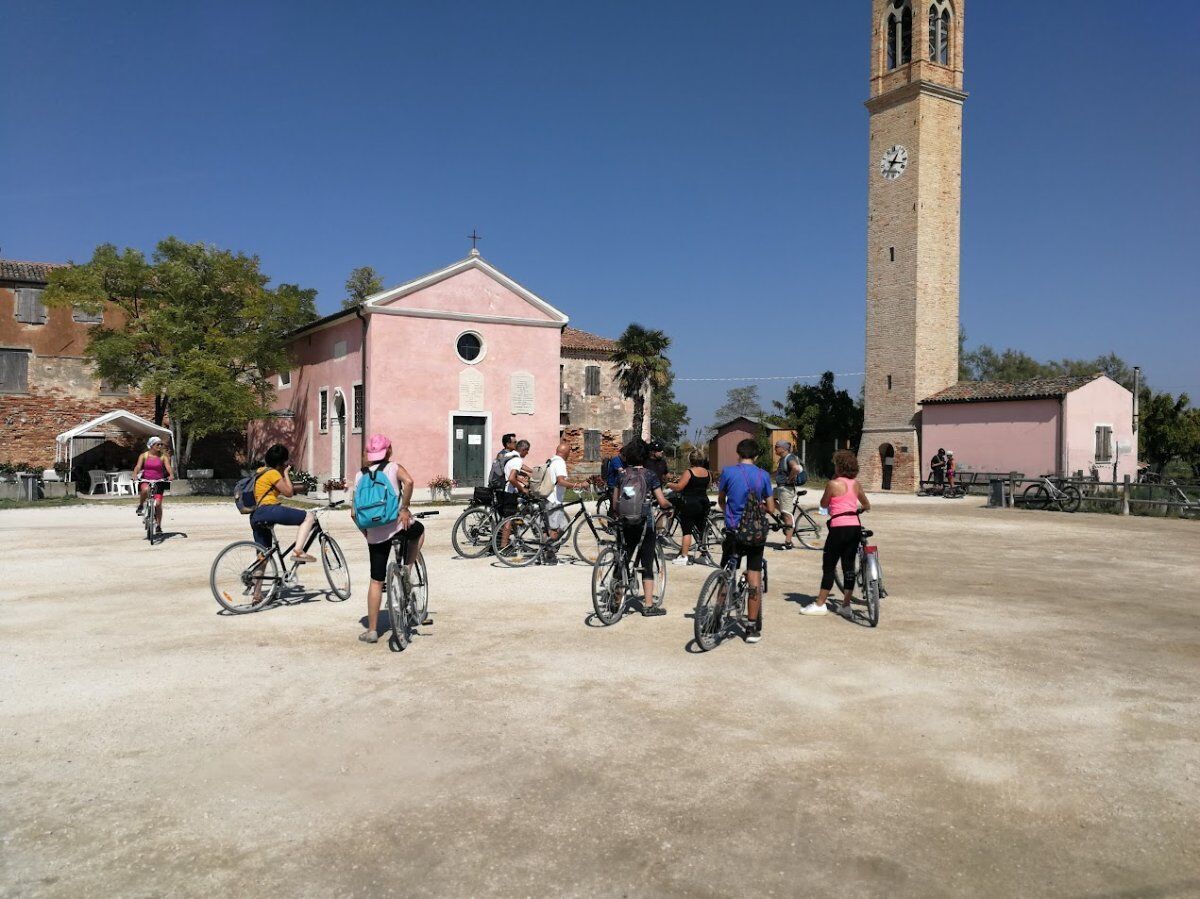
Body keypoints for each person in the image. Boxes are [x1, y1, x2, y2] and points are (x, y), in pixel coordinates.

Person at [352, 434, 424, 644]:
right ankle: (408, 569)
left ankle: (372, 630)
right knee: (418, 531)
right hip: (396, 526)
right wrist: (404, 508)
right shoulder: (393, 468)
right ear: (388, 451)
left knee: (376, 580)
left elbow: (354, 513)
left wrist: (366, 532)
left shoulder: (359, 475)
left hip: (374, 534)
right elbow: (409, 481)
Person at [717, 438, 778, 642]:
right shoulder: (763, 475)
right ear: (756, 455)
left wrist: (730, 513)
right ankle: (751, 627)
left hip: (734, 530)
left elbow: (721, 500)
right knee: (754, 577)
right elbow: (770, 508)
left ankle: (717, 616)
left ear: (738, 453)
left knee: (726, 573)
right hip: (755, 533)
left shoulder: (728, 472)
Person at [612, 440, 673, 616]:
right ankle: (648, 605)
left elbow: (615, 503)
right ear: (645, 456)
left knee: (623, 558)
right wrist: (669, 507)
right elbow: (661, 501)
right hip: (644, 522)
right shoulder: (650, 475)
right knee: (647, 560)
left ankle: (616, 600)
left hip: (624, 522)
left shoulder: (621, 476)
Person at [807, 449, 871, 616]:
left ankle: (820, 604)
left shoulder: (832, 484)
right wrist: (860, 508)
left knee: (829, 565)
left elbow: (823, 503)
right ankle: (846, 605)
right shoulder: (856, 484)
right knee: (848, 567)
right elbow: (866, 504)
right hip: (854, 526)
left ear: (839, 467)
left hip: (838, 527)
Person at [249, 444, 318, 564]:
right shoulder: (273, 474)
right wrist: (286, 473)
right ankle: (298, 551)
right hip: (269, 510)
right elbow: (289, 492)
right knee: (309, 517)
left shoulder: (260, 472)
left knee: (263, 558)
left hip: (256, 515)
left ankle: (256, 582)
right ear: (281, 462)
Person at [545, 440, 587, 560]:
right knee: (554, 528)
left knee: (562, 526)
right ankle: (549, 555)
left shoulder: (551, 460)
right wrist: (577, 485)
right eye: (569, 452)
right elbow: (560, 481)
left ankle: (549, 548)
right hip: (554, 500)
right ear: (566, 452)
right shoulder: (560, 463)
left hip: (550, 498)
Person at [670, 450, 711, 566]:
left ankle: (684, 556)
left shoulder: (689, 472)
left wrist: (669, 485)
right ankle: (704, 555)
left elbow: (679, 487)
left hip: (690, 503)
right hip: (703, 502)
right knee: (702, 530)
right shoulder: (707, 473)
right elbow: (708, 485)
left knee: (687, 530)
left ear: (690, 460)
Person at [132, 436, 174, 535]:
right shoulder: (144, 455)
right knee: (145, 489)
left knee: (158, 504)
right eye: (157, 444)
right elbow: (138, 466)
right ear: (151, 445)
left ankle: (158, 526)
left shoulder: (163, 456)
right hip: (146, 479)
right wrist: (134, 474)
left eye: (161, 444)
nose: (160, 446)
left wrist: (171, 475)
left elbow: (168, 466)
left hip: (159, 481)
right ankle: (141, 505)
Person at [771, 439, 806, 550]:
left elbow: (797, 468)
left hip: (786, 490)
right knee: (767, 497)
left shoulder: (789, 457)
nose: (775, 448)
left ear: (783, 448)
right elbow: (778, 473)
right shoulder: (782, 459)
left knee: (787, 515)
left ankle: (788, 543)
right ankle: (783, 515)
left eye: (777, 446)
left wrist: (790, 478)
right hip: (781, 489)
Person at [498, 439, 532, 549]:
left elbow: (519, 469)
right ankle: (504, 547)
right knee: (509, 519)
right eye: (527, 451)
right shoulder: (517, 460)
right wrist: (522, 489)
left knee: (507, 518)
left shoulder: (510, 455)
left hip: (501, 490)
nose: (527, 453)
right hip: (509, 492)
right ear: (523, 450)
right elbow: (512, 478)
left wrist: (533, 472)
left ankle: (507, 541)